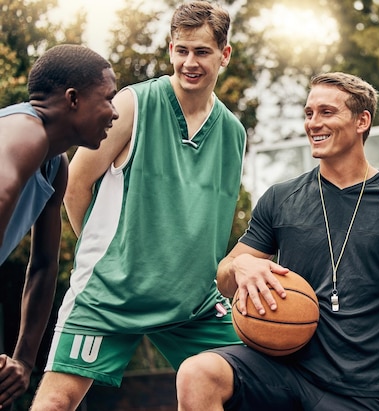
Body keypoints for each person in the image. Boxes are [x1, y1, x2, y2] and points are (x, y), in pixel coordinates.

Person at [176, 72, 379, 411]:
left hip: (361, 393)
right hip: (282, 373)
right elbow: (224, 277)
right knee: (197, 374)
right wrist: (242, 265)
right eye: (309, 113)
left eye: (326, 112)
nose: (313, 123)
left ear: (362, 120)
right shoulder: (280, 199)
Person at [29, 2, 246, 410]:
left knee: (255, 385)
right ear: (169, 50)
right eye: (181, 50)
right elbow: (76, 184)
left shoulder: (233, 133)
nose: (189, 62)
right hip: (113, 291)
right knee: (56, 402)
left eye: (201, 51)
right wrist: (111, 256)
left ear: (224, 54)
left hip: (193, 302)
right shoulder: (133, 105)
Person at [0, 44, 118, 408]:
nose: (114, 113)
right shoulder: (23, 132)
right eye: (108, 98)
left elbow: (44, 266)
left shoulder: (55, 165)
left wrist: (23, 359)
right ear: (73, 99)